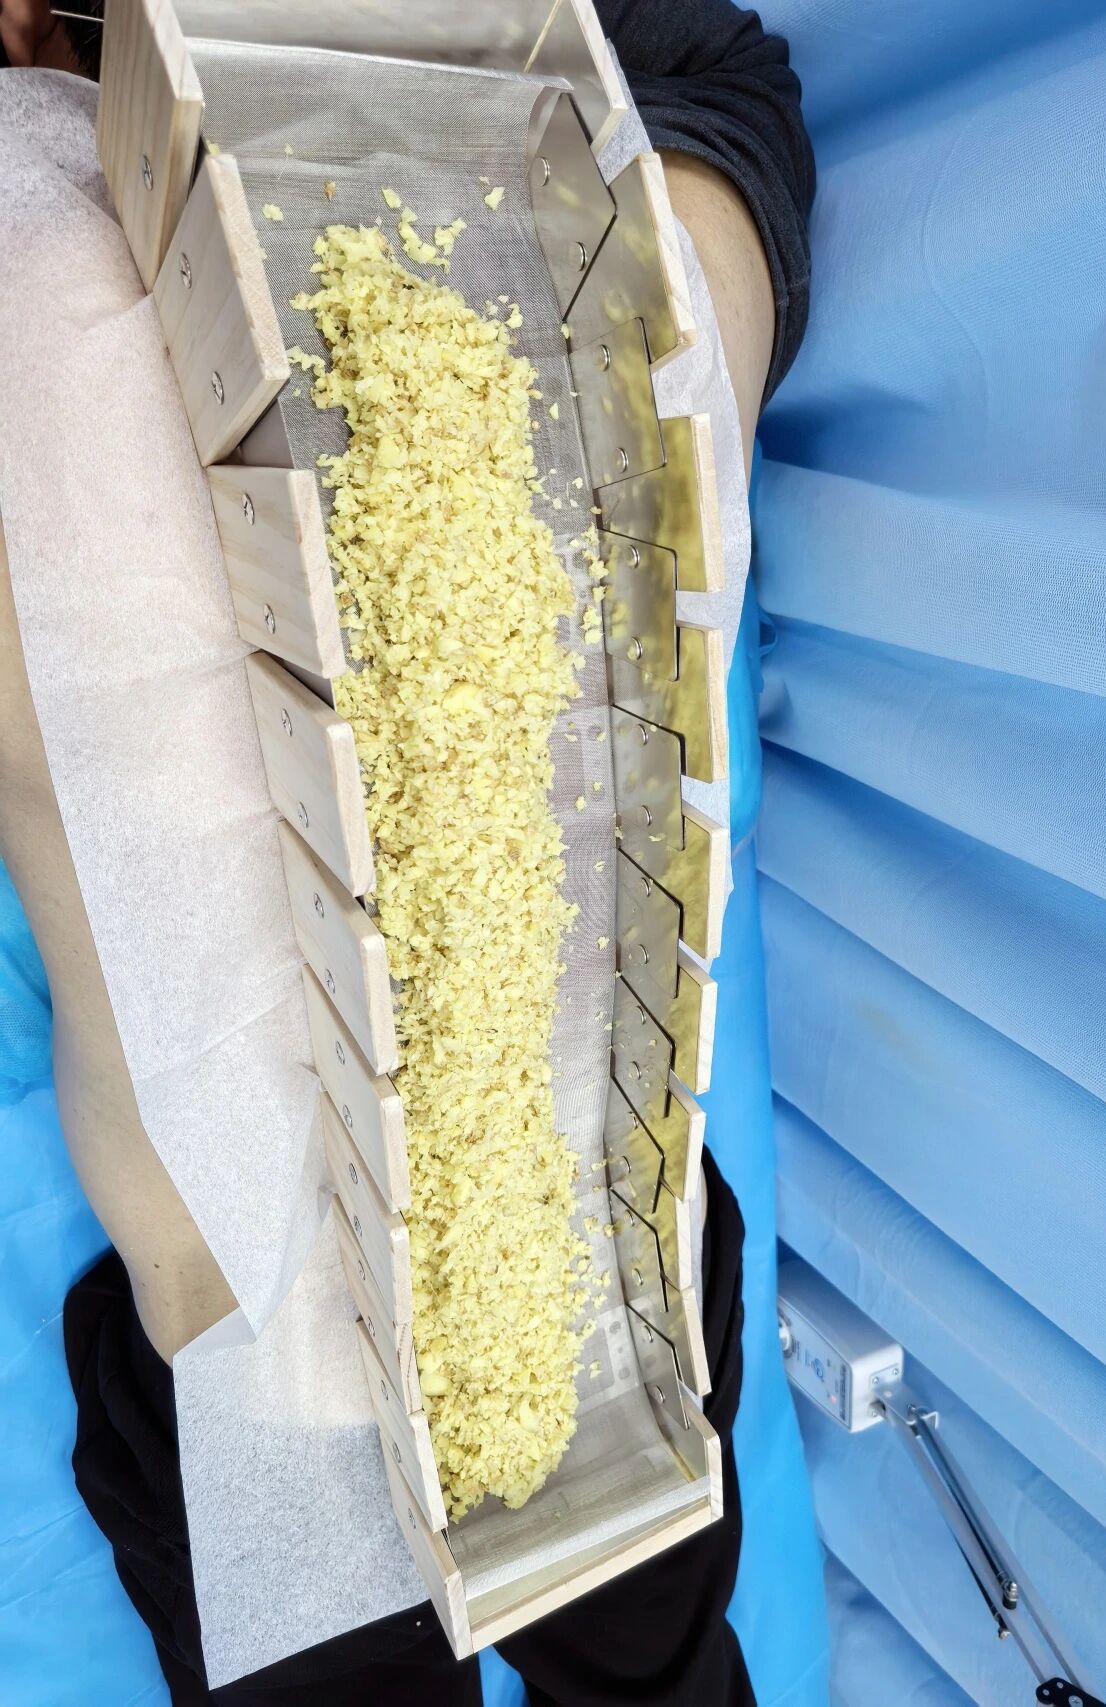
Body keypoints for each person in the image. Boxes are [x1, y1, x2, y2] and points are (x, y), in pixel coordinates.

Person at [0, 3, 814, 1701]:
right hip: (252, 1328)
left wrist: (651, 340)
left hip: (582, 1232)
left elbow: (723, 99)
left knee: (646, 1625)